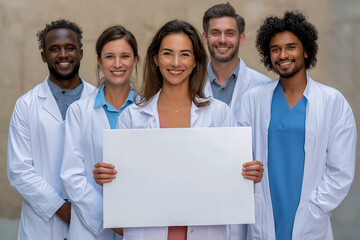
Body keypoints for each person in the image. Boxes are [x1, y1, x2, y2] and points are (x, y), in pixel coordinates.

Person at [92, 19, 264, 240]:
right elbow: (124, 185)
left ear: (195, 61)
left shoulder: (219, 114)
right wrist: (105, 176)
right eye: (167, 53)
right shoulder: (132, 117)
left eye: (184, 54)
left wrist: (250, 173)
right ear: (155, 58)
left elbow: (231, 180)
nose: (175, 62)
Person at [237, 11, 357, 240]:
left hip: (309, 222)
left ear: (306, 50)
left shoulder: (332, 102)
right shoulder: (253, 100)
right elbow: (238, 159)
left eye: (291, 47)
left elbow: (340, 172)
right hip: (264, 218)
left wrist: (315, 210)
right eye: (275, 49)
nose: (283, 55)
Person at [7, 19, 96, 240]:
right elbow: (19, 170)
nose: (63, 54)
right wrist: (61, 208)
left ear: (81, 52)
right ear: (44, 56)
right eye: (54, 49)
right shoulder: (26, 105)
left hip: (92, 221)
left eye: (70, 48)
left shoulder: (98, 101)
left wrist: (87, 208)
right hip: (42, 225)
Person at [60, 25, 139, 240]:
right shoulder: (79, 111)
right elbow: (71, 175)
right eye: (109, 57)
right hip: (90, 227)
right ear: (99, 61)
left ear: (136, 60)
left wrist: (128, 220)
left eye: (125, 56)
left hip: (136, 221)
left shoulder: (148, 111)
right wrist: (107, 218)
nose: (117, 64)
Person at [202, 2, 271, 122]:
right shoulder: (191, 84)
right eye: (215, 33)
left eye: (230, 33)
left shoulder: (263, 85)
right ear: (205, 38)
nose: (222, 40)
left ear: (241, 38)